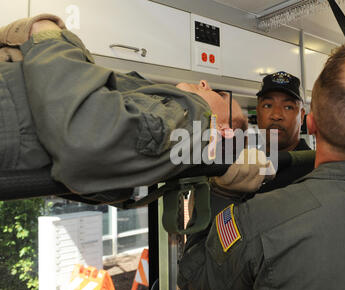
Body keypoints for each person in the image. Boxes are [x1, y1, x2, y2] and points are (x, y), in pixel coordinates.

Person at [178, 43, 345, 290]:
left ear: (310, 121)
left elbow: (196, 281)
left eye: (288, 106)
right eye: (268, 105)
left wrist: (223, 194)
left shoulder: (259, 217)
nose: (277, 114)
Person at [0, 15, 252, 201]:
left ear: (224, 129)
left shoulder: (194, 120)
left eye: (219, 95)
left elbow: (85, 135)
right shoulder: (169, 113)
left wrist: (47, 35)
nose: (205, 84)